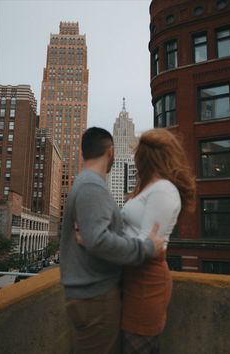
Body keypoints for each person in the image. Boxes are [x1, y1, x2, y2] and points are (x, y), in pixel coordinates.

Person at [60, 127, 165, 354]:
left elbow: (93, 238)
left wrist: (94, 238)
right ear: (110, 151)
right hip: (96, 300)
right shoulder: (91, 186)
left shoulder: (87, 184)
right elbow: (98, 240)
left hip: (91, 296)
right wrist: (146, 247)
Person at [121, 128, 196, 354]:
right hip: (133, 279)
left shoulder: (163, 190)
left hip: (146, 282)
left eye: (139, 154)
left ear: (147, 156)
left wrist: (101, 245)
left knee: (138, 346)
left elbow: (147, 244)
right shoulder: (149, 188)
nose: (136, 160)